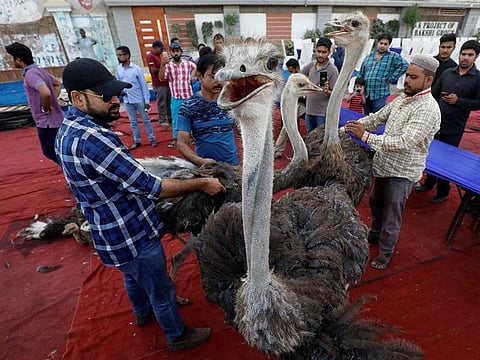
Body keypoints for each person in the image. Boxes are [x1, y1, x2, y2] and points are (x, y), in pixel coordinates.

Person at [56, 57, 225, 351]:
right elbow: (151, 187)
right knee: (160, 288)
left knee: (133, 278)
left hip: (108, 231)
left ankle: (142, 313)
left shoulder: (67, 130)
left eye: (116, 93)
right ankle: (177, 335)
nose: (115, 101)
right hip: (131, 233)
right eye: (105, 96)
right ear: (77, 98)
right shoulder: (94, 139)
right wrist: (201, 183)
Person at [344, 54, 441, 270]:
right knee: (376, 205)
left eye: (413, 77)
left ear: (428, 80)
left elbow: (405, 142)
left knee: (391, 214)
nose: (406, 80)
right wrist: (347, 129)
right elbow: (375, 118)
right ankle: (375, 234)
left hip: (403, 173)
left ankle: (386, 251)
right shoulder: (401, 99)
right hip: (384, 165)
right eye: (407, 75)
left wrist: (365, 137)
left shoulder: (428, 109)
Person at [416, 40, 480, 203]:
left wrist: (459, 101)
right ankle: (428, 183)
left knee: (445, 160)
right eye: (463, 54)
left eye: (470, 55)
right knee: (429, 154)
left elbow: (478, 103)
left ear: (476, 57)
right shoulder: (447, 73)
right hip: (436, 123)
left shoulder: (477, 78)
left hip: (455, 126)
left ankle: (443, 192)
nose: (465, 58)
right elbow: (433, 93)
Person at [5, 42, 63, 164]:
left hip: (46, 122)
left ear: (19, 59)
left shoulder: (31, 75)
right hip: (57, 119)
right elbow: (57, 83)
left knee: (50, 151)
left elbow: (45, 92)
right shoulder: (39, 71)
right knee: (59, 150)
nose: (11, 61)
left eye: (12, 58)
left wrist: (46, 107)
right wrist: (53, 99)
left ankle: (73, 173)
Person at [176, 53, 239, 166]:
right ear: (200, 76)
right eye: (213, 76)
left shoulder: (231, 103)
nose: (218, 81)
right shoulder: (188, 106)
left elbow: (242, 132)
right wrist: (200, 161)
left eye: (221, 76)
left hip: (233, 167)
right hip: (205, 171)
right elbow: (181, 144)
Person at [115, 46, 157, 149]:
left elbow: (143, 85)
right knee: (133, 122)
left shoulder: (136, 69)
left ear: (127, 55)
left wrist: (146, 100)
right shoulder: (118, 69)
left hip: (139, 99)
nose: (119, 57)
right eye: (118, 55)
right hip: (127, 99)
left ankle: (152, 139)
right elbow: (118, 82)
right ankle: (137, 140)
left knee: (146, 120)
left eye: (121, 55)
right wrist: (121, 92)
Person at [358, 33, 408, 115]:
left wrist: (393, 78)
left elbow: (405, 65)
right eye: (381, 43)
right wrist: (359, 89)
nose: (382, 46)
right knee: (366, 118)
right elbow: (361, 73)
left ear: (389, 45)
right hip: (366, 94)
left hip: (380, 93)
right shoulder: (369, 57)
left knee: (378, 118)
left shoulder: (393, 57)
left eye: (385, 44)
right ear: (377, 43)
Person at [160, 42, 197, 148]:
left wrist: (192, 77)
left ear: (180, 52)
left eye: (177, 51)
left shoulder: (188, 63)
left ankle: (193, 136)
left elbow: (197, 67)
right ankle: (177, 139)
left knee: (192, 117)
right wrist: (162, 65)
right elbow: (162, 78)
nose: (176, 53)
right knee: (176, 118)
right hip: (176, 97)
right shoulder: (168, 66)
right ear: (171, 53)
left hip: (189, 96)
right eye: (173, 51)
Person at [301, 37, 338, 132]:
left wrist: (327, 91)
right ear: (315, 50)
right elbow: (299, 76)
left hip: (323, 114)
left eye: (324, 52)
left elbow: (336, 95)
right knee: (310, 137)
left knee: (320, 140)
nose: (320, 55)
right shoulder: (310, 66)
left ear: (329, 53)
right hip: (309, 111)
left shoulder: (333, 70)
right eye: (319, 51)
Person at [274, 58, 306, 159]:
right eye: (289, 71)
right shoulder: (294, 78)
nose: (290, 73)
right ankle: (279, 150)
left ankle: (277, 150)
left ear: (297, 68)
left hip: (303, 105)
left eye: (292, 71)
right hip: (295, 105)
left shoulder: (303, 77)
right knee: (290, 127)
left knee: (288, 126)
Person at [147, 40, 171, 126]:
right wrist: (163, 68)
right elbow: (153, 70)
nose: (161, 50)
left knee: (168, 101)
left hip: (165, 83)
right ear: (155, 48)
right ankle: (162, 119)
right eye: (160, 49)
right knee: (162, 102)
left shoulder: (159, 56)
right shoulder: (150, 56)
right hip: (159, 84)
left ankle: (169, 117)